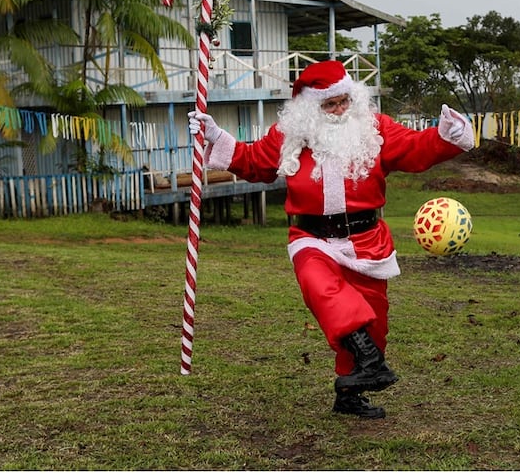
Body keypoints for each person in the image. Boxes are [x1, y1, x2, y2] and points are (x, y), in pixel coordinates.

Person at [188, 60, 474, 419]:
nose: (339, 110)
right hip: (312, 238)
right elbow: (254, 161)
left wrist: (446, 133)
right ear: (311, 108)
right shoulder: (289, 136)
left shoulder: (374, 128)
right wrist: (216, 136)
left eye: (344, 101)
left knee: (373, 323)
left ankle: (350, 395)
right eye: (330, 104)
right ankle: (370, 360)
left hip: (368, 240)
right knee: (323, 291)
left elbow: (414, 147)